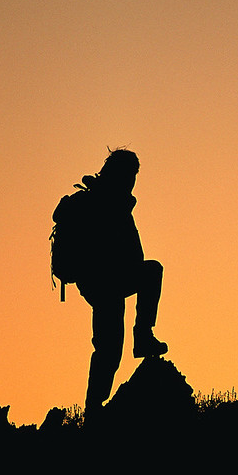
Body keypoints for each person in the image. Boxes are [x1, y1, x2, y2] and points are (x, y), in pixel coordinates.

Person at [75, 148, 167, 419]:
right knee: (109, 348)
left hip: (108, 280)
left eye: (134, 175)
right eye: (130, 174)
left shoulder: (112, 199)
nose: (133, 180)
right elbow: (107, 246)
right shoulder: (106, 200)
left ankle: (94, 406)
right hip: (105, 282)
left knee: (109, 347)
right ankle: (93, 408)